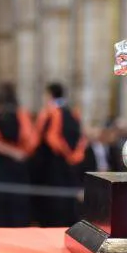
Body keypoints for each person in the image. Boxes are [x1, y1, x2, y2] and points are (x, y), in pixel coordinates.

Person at [0, 83, 36, 227]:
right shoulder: (22, 114)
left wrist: (10, 152)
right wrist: (17, 153)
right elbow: (30, 140)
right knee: (18, 207)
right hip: (18, 168)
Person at [33, 83, 87, 227]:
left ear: (50, 94)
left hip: (52, 165)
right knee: (67, 203)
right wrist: (72, 156)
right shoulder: (74, 113)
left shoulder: (49, 113)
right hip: (72, 166)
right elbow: (81, 138)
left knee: (52, 205)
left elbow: (42, 138)